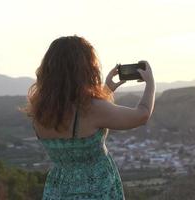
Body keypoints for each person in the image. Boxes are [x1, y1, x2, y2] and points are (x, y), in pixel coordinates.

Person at [21, 35, 155, 199]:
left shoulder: (40, 111)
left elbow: (74, 117)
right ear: (85, 69)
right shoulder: (92, 108)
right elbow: (142, 114)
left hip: (58, 190)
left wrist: (107, 90)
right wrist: (151, 83)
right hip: (96, 190)